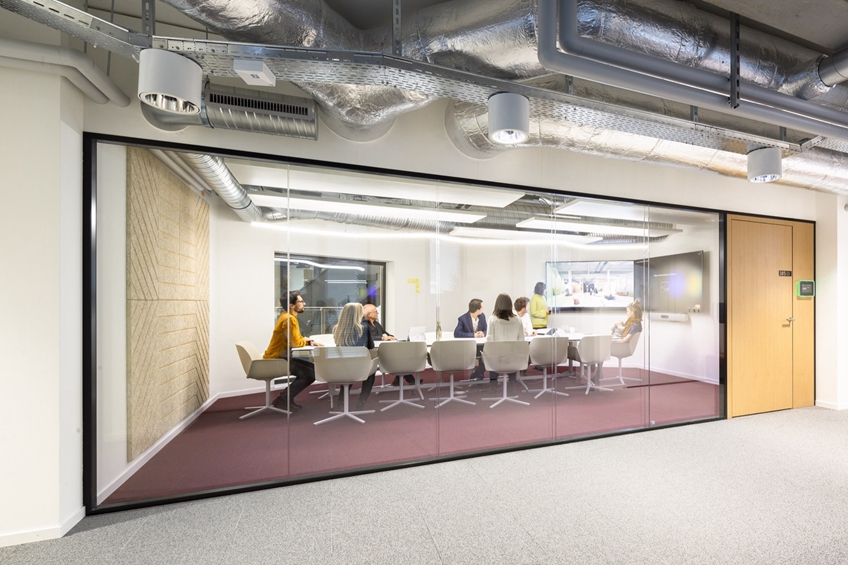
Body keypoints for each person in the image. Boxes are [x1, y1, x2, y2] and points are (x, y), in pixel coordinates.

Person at [263, 291, 324, 412]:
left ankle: (285, 399)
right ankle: (283, 399)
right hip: (277, 359)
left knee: (312, 370)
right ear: (292, 305)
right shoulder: (289, 319)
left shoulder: (287, 316)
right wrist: (307, 342)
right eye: (301, 301)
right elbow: (294, 343)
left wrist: (306, 341)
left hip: (281, 356)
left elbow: (296, 339)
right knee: (310, 374)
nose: (304, 304)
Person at [333, 303, 377, 410]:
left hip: (341, 367)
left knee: (348, 371)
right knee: (370, 371)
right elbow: (371, 346)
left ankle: (340, 401)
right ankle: (362, 401)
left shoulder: (337, 329)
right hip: (359, 367)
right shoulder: (363, 328)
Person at [362, 303, 413, 387]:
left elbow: (385, 333)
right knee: (398, 358)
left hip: (382, 350)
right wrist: (382, 338)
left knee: (401, 357)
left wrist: (391, 337)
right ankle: (404, 379)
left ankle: (401, 379)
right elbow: (368, 337)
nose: (377, 313)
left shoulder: (377, 324)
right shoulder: (364, 325)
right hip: (372, 352)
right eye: (375, 312)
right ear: (369, 314)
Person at [455, 298, 495, 381]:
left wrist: (483, 333)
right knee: (481, 355)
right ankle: (478, 373)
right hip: (468, 346)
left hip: (481, 344)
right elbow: (457, 333)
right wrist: (473, 335)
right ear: (477, 309)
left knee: (488, 353)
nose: (483, 309)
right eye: (482, 307)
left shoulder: (482, 316)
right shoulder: (463, 319)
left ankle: (479, 373)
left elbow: (486, 329)